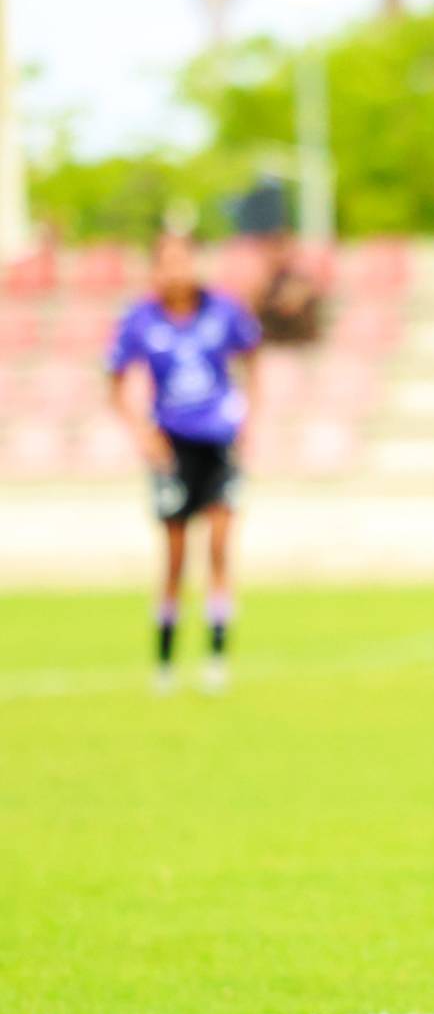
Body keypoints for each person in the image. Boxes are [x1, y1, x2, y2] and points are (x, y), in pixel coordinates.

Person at [106, 232, 261, 694]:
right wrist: (143, 434)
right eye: (167, 262)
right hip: (173, 448)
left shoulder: (223, 311)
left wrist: (249, 415)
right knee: (174, 558)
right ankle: (166, 662)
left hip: (219, 443)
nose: (177, 271)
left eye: (184, 260)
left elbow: (255, 358)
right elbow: (115, 383)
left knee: (219, 544)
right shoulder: (140, 319)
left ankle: (217, 658)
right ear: (156, 269)